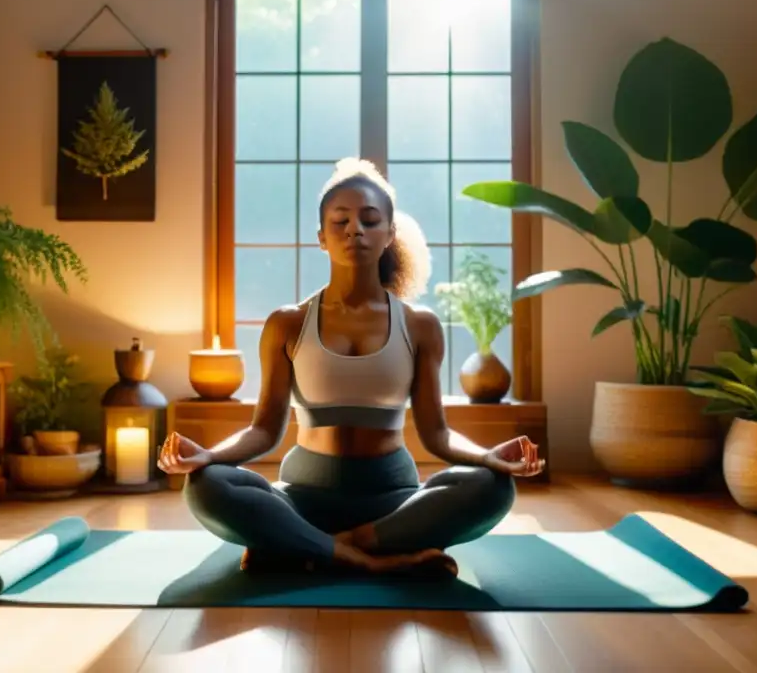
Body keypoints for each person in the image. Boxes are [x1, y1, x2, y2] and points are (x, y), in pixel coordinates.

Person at [158, 158, 544, 577]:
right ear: (321, 238)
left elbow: (437, 434)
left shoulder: (420, 326)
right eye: (340, 221)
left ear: (389, 234)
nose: (354, 229)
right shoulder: (286, 323)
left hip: (391, 500)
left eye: (370, 219)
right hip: (302, 498)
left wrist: (488, 456)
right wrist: (208, 456)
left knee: (492, 487)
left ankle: (319, 547)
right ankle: (370, 559)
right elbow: (264, 431)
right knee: (206, 486)